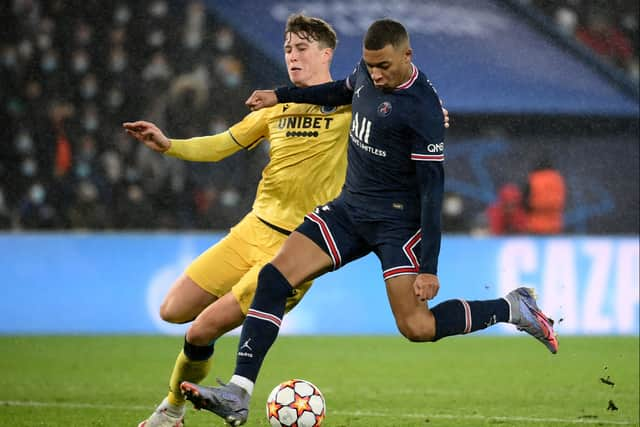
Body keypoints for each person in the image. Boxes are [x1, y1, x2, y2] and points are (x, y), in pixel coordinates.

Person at [179, 18, 558, 427]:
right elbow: (336, 90)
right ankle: (238, 392)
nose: (376, 75)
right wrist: (280, 95)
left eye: (384, 67)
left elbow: (433, 194)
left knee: (417, 326)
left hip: (397, 225)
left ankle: (512, 307)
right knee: (274, 278)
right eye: (370, 66)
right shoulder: (366, 72)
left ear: (407, 56)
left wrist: (429, 268)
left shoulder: (424, 110)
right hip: (349, 210)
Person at [124, 15, 352, 427]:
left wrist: (431, 116)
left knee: (199, 331)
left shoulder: (350, 106)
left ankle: (171, 411)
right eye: (287, 49)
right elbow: (222, 145)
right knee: (173, 310)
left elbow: (396, 105)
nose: (292, 56)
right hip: (252, 229)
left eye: (301, 48)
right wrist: (168, 145)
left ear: (325, 53)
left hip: (299, 246)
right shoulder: (276, 108)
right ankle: (181, 402)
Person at [523, 156, 566, 234]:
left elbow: (525, 200)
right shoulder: (558, 179)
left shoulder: (534, 178)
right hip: (555, 224)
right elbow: (561, 200)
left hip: (535, 224)